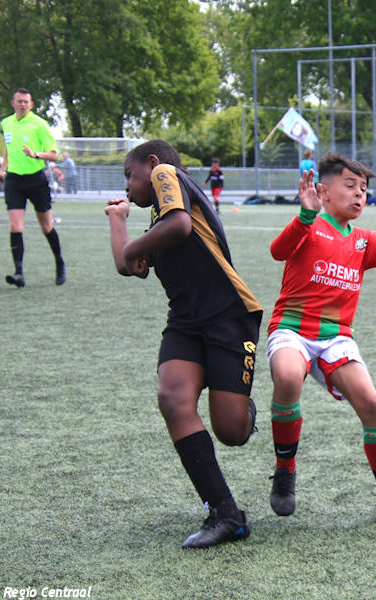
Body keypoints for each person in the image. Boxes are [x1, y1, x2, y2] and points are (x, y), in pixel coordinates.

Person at [105, 139, 263, 549]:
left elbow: (180, 226)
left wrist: (135, 245)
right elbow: (128, 265)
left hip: (229, 316)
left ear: (152, 164)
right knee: (172, 400)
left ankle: (244, 409)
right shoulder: (156, 220)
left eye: (129, 175)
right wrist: (118, 219)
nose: (127, 187)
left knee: (230, 431)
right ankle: (225, 514)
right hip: (185, 325)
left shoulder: (167, 175)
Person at [265, 152, 376, 526]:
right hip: (292, 329)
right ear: (323, 191)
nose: (359, 195)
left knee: (371, 403)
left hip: (336, 337)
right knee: (287, 376)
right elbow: (277, 251)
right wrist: (304, 216)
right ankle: (285, 469)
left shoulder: (363, 241)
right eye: (350, 186)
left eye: (363, 190)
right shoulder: (309, 225)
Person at [0, 88, 66, 287]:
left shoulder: (39, 124)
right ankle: (19, 273)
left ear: (31, 104)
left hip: (36, 180)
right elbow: (8, 148)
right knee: (15, 226)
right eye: (19, 101)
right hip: (14, 181)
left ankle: (59, 262)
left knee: (46, 226)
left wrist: (35, 154)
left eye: (26, 102)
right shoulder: (6, 123)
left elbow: (54, 155)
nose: (23, 104)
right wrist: (3, 169)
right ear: (13, 103)